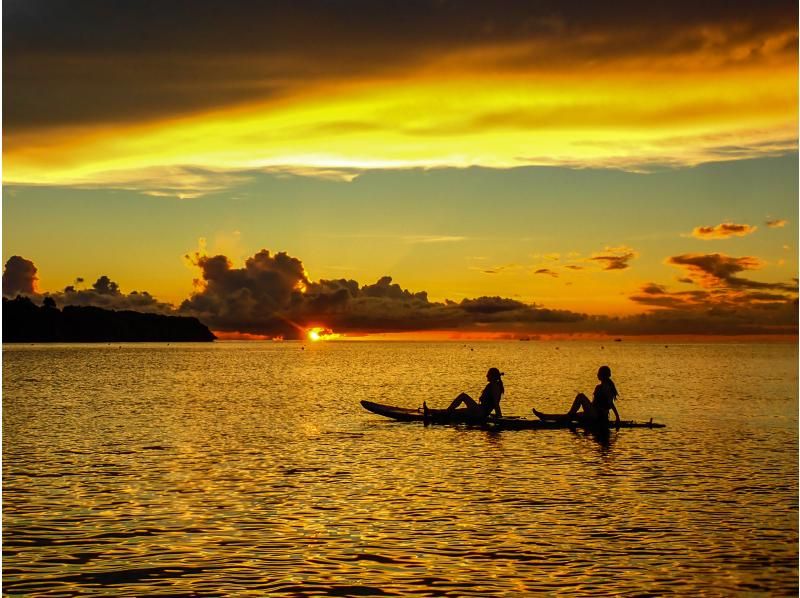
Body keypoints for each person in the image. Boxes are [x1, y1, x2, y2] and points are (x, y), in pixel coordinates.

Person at [532, 365, 621, 426]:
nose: (597, 374)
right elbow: (596, 403)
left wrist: (617, 417)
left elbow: (610, 403)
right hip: (593, 413)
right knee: (570, 416)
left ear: (602, 375)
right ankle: (544, 416)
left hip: (598, 416)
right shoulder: (600, 386)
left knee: (581, 396)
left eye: (598, 373)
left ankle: (550, 417)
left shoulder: (606, 387)